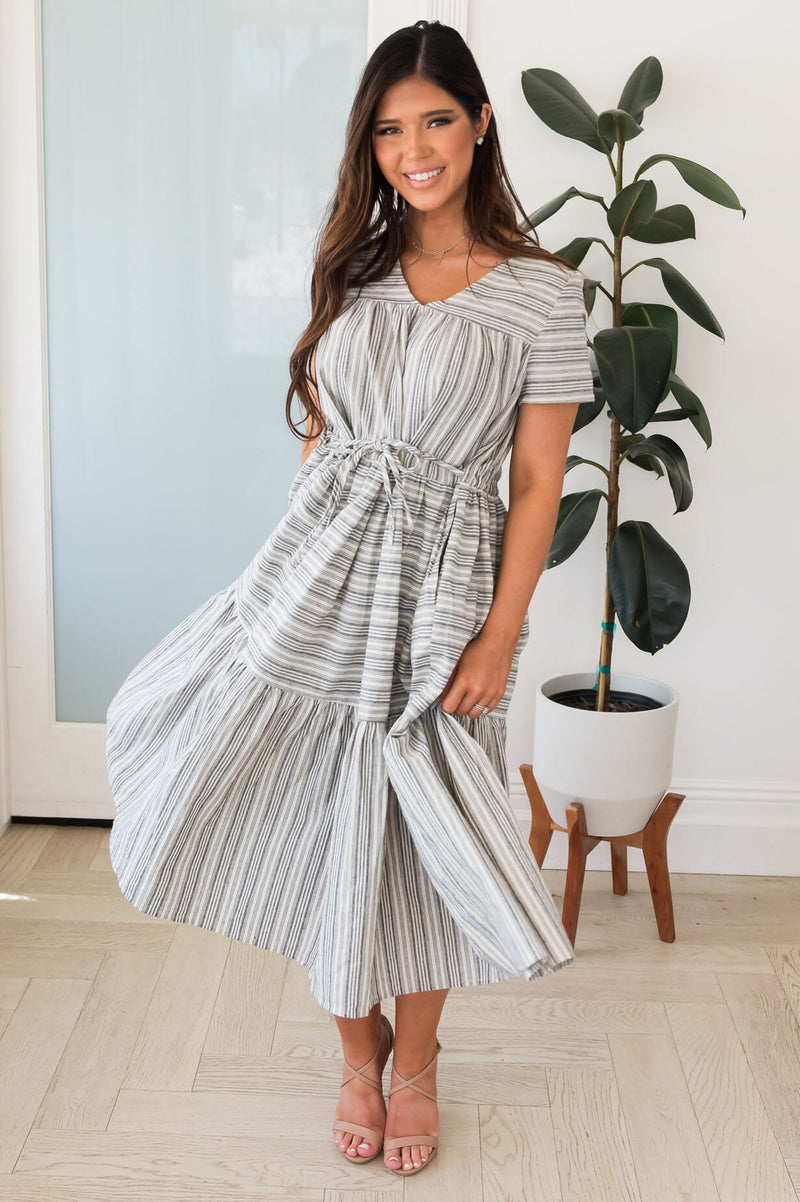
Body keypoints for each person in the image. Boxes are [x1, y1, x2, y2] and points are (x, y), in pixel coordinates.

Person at [104, 18, 597, 1180]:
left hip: (443, 597)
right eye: (386, 130)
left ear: (480, 124)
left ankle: (415, 1064)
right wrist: (290, 561)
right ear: (367, 145)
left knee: (425, 830)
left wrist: (499, 633)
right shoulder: (352, 270)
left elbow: (535, 480)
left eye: (434, 121)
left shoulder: (544, 295)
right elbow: (324, 437)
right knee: (319, 814)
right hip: (315, 577)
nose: (412, 150)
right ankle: (353, 1054)